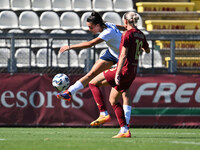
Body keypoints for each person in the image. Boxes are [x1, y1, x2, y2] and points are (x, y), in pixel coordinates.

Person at [57, 11, 132, 127]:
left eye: (91, 27)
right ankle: (69, 92)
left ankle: (125, 124)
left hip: (123, 58)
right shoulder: (107, 24)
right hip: (112, 53)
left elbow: (90, 44)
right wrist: (125, 27)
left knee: (125, 92)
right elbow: (118, 26)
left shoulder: (107, 32)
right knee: (91, 73)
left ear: (98, 25)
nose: (89, 29)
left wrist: (70, 47)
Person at [87, 12, 150, 138]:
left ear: (125, 22)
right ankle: (124, 130)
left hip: (123, 70)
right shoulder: (140, 35)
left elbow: (122, 55)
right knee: (113, 100)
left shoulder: (126, 34)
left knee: (92, 82)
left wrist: (117, 72)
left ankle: (103, 113)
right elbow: (147, 50)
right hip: (133, 71)